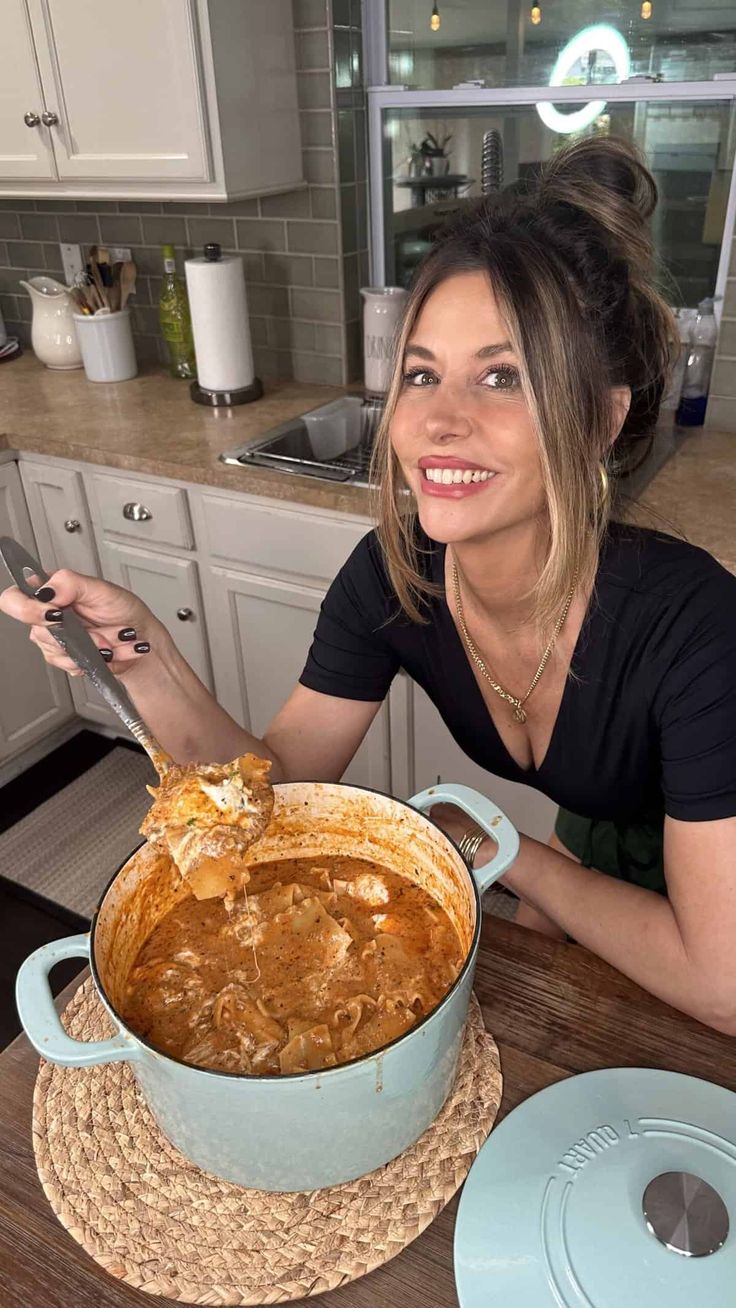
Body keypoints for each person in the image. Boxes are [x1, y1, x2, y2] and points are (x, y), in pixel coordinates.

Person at [3, 138, 735, 1033]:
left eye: (502, 377)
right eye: (420, 373)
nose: (437, 419)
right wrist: (143, 655)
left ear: (600, 419)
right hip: (597, 844)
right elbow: (277, 794)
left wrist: (517, 861)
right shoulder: (396, 576)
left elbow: (720, 982)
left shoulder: (696, 629)